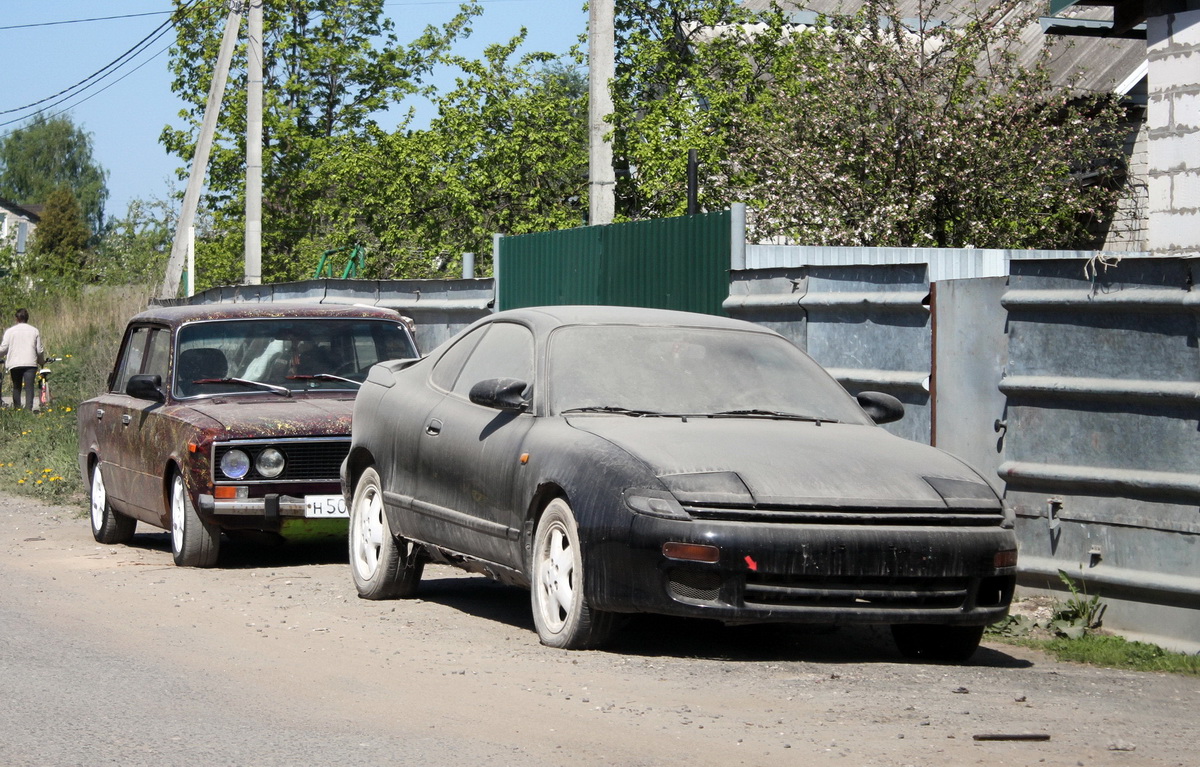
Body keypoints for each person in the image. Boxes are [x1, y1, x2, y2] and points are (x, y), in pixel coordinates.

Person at [0, 308, 46, 410]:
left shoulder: (10, 331)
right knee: (29, 387)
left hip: (15, 363)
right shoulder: (34, 331)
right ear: (27, 318)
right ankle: (28, 410)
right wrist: (41, 361)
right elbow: (39, 350)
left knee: (17, 387)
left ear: (16, 319)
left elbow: (3, 349)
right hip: (30, 363)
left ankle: (17, 409)